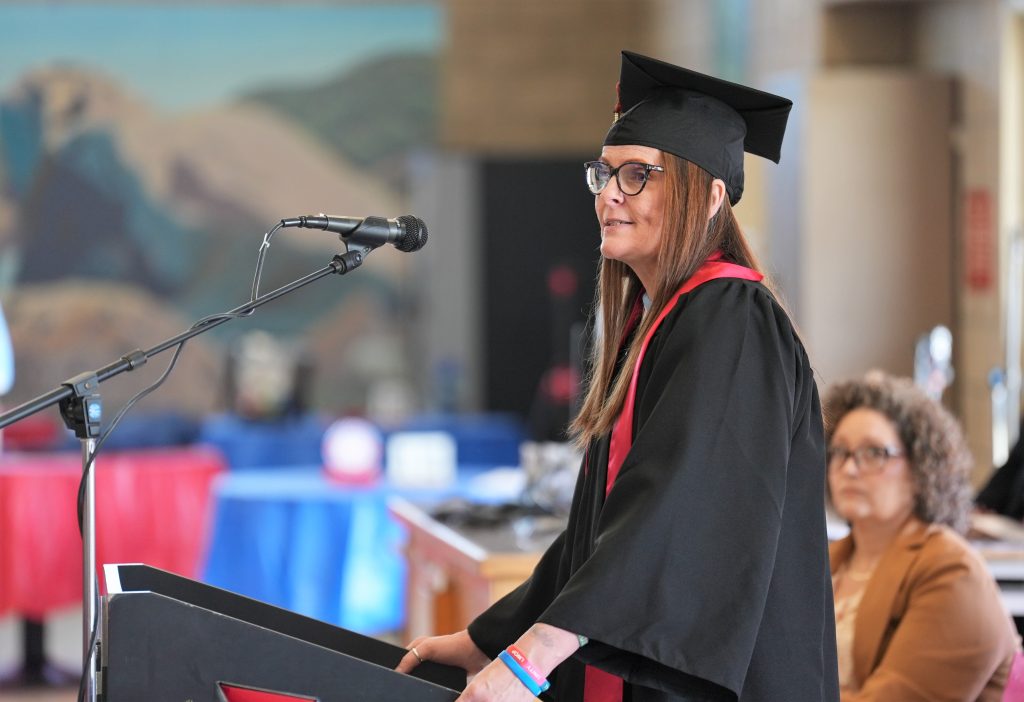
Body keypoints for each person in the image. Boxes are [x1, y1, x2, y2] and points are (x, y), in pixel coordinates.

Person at [397, 51, 839, 701]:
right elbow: (604, 528)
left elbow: (673, 514)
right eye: (605, 174)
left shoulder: (733, 320)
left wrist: (529, 660)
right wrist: (490, 639)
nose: (609, 195)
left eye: (638, 176)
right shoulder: (659, 320)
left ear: (711, 194)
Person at [824, 372, 1019, 701]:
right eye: (840, 452)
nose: (850, 469)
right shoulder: (830, 558)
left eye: (873, 453)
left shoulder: (953, 572)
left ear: (921, 468)